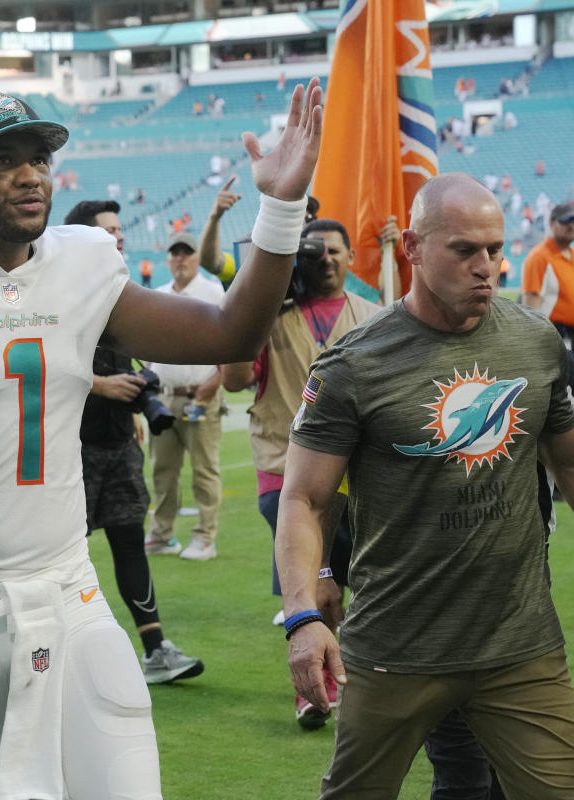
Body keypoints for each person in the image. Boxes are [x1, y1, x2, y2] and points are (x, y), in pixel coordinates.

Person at [0, 81, 324, 799]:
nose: (30, 173)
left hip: (66, 587)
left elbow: (232, 332)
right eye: (4, 159)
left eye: (40, 157)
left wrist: (282, 206)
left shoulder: (82, 261)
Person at [276, 173, 574, 798]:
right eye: (464, 250)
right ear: (412, 247)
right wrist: (302, 613)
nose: (486, 267)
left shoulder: (534, 341)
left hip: (521, 648)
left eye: (495, 249)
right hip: (394, 649)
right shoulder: (354, 363)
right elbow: (305, 497)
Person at [426, 343, 574, 799]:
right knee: (464, 779)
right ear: (414, 264)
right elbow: (326, 478)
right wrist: (318, 577)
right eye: (465, 262)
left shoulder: (535, 347)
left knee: (547, 780)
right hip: (421, 612)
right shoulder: (377, 350)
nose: (485, 268)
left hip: (522, 605)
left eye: (491, 263)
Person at [215, 213, 382, 729]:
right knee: (313, 585)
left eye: (334, 250)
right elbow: (236, 381)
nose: (325, 258)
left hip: (363, 478)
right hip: (282, 472)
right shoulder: (272, 316)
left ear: (351, 258)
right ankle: (316, 687)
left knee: (363, 584)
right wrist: (251, 312)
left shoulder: (377, 316)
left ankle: (358, 678)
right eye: (312, 251)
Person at [63, 199, 204, 685]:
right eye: (108, 231)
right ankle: (53, 655)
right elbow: (36, 364)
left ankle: (156, 649)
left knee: (130, 545)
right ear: (82, 240)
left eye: (120, 229)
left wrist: (138, 381)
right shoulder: (58, 295)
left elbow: (129, 361)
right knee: (60, 556)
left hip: (120, 445)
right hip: (70, 449)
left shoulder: (121, 295)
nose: (119, 237)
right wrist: (100, 386)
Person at [142, 231, 226, 561]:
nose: (180, 258)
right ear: (167, 258)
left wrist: (214, 384)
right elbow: (149, 348)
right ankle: (162, 534)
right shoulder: (158, 295)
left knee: (204, 470)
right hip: (163, 396)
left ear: (197, 257)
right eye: (175, 253)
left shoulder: (213, 292)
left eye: (187, 253)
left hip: (200, 396)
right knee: (162, 470)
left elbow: (229, 344)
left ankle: (205, 536)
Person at [522, 201, 574, 369]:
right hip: (555, 338)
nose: (572, 225)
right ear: (551, 224)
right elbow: (530, 308)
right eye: (565, 221)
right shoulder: (539, 258)